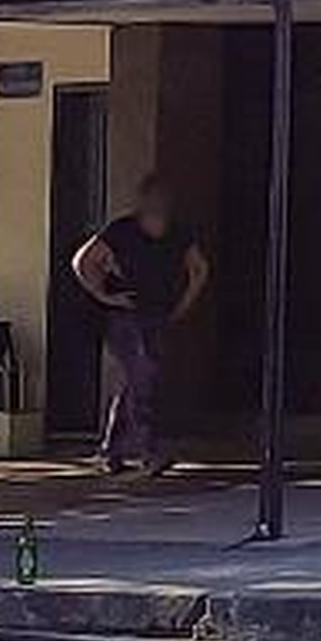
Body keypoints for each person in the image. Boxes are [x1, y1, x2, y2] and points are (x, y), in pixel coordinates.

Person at [70, 179, 206, 476]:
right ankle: (148, 450)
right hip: (126, 315)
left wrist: (183, 304)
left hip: (157, 313)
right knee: (142, 375)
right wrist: (103, 295)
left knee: (137, 380)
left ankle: (112, 449)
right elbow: (83, 261)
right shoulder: (122, 231)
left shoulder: (177, 233)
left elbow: (198, 269)